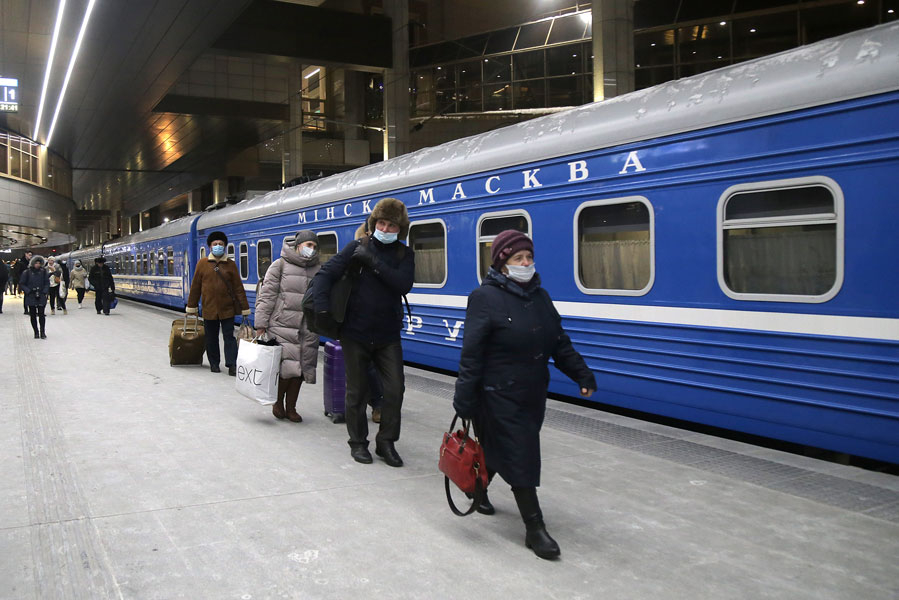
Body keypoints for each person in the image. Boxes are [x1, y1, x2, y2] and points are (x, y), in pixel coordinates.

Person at [452, 230, 596, 560]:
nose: (526, 263)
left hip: (533, 392)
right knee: (521, 454)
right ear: (503, 264)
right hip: (496, 393)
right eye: (518, 258)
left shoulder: (540, 297)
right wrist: (464, 396)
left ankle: (478, 488)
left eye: (529, 257)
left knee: (500, 450)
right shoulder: (484, 298)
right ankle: (535, 528)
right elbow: (471, 353)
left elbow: (559, 342)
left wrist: (582, 374)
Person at [313, 198, 415, 466]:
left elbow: (403, 284)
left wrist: (373, 263)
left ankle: (386, 442)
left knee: (395, 390)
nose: (385, 227)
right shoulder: (356, 247)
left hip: (388, 335)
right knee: (356, 391)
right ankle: (358, 443)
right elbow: (325, 274)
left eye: (391, 225)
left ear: (399, 229)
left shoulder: (404, 255)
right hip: (355, 333)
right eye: (381, 222)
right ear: (373, 223)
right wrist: (323, 308)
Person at [254, 230, 321, 422]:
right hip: (282, 325)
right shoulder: (280, 265)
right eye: (308, 245)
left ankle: (291, 407)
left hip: (307, 328)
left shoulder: (318, 268)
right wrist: (261, 324)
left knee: (300, 370)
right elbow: (267, 296)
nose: (311, 249)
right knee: (285, 369)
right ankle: (278, 402)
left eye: (315, 247)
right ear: (298, 245)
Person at [186, 231, 251, 375]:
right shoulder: (202, 264)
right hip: (209, 308)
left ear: (225, 246)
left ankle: (232, 364)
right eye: (215, 244)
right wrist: (192, 306)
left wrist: (245, 308)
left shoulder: (230, 264)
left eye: (221, 244)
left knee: (229, 337)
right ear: (210, 246)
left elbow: (238, 288)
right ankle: (214, 363)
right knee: (211, 338)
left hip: (227, 308)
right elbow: (196, 286)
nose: (218, 246)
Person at [18, 255, 50, 339]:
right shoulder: (27, 272)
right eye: (36, 263)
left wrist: (44, 291)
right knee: (33, 315)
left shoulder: (43, 272)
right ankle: (36, 332)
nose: (38, 265)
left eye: (39, 263)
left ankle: (42, 332)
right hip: (31, 295)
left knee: (41, 314)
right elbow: (22, 283)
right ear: (33, 263)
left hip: (41, 295)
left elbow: (47, 282)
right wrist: (28, 291)